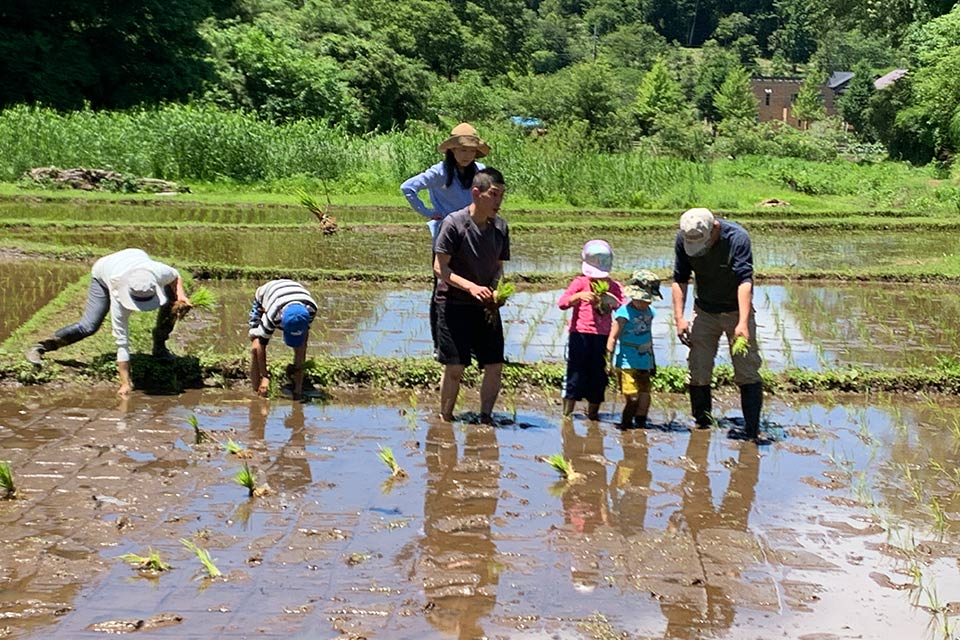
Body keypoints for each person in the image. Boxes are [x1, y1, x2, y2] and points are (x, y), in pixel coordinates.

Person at [24, 248, 190, 395]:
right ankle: (41, 347)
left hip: (136, 258)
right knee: (89, 326)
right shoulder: (119, 298)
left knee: (174, 303)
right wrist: (125, 383)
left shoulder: (157, 273)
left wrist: (181, 296)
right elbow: (122, 343)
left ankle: (159, 348)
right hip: (104, 272)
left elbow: (175, 276)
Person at [671, 207, 766, 443]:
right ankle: (702, 425)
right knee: (698, 369)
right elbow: (680, 278)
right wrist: (679, 318)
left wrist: (743, 322)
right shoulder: (684, 238)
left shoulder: (737, 238)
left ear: (714, 227)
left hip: (736, 310)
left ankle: (752, 431)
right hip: (704, 310)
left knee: (746, 369)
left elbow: (745, 280)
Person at [401, 122, 489, 352]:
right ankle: (440, 345)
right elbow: (408, 187)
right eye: (462, 150)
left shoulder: (480, 171)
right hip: (445, 236)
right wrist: (429, 213)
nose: (466, 155)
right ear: (451, 151)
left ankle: (469, 344)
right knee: (442, 288)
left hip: (473, 235)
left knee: (472, 286)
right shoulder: (439, 172)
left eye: (471, 150)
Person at [433, 167, 509, 424]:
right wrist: (472, 288)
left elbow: (498, 268)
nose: (498, 202)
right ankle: (445, 419)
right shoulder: (454, 223)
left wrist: (496, 290)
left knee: (494, 365)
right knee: (455, 367)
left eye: (501, 196)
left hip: (486, 306)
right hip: (455, 304)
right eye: (494, 195)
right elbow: (440, 268)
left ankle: (485, 417)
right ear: (476, 193)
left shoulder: (500, 227)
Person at [558, 240, 623, 420]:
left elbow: (623, 307)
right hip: (580, 334)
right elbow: (562, 303)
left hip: (602, 337)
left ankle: (593, 415)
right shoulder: (580, 282)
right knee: (575, 372)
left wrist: (611, 300)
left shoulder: (614, 286)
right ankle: (567, 414)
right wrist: (578, 296)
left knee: (598, 376)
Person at [607, 269, 661, 429]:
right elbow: (612, 337)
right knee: (633, 398)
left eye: (648, 300)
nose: (645, 303)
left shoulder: (650, 312)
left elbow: (648, 337)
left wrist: (653, 362)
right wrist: (608, 362)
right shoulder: (623, 313)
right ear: (633, 295)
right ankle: (624, 426)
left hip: (644, 360)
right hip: (626, 361)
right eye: (642, 300)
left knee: (645, 396)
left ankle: (640, 425)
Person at [248, 279, 318, 400]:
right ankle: (257, 392)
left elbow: (303, 342)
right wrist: (265, 376)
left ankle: (297, 385)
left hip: (295, 296)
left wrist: (298, 388)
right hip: (266, 295)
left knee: (300, 346)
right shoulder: (273, 314)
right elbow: (261, 344)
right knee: (255, 348)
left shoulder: (311, 310)